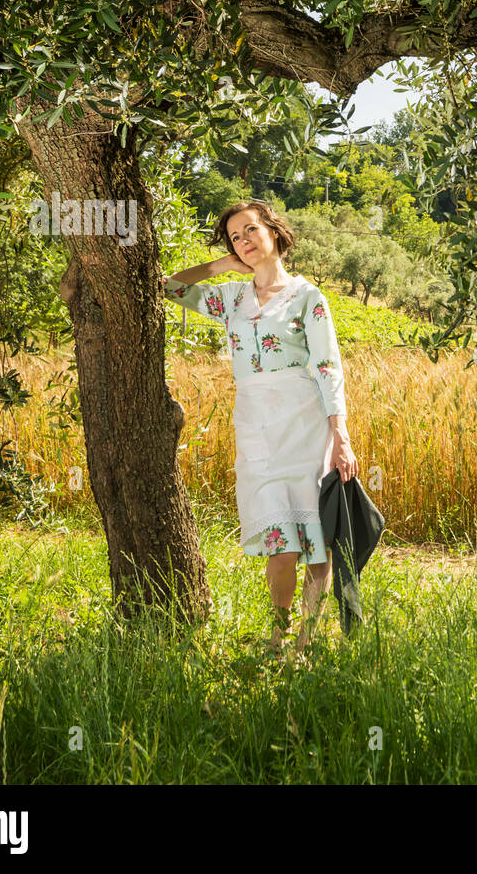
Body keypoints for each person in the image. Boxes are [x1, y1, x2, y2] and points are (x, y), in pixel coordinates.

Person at [162, 200, 358, 657]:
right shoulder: (232, 298)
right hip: (255, 427)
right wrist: (217, 265)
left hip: (306, 425)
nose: (243, 241)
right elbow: (168, 287)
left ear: (274, 231)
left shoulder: (308, 296)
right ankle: (279, 632)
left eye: (250, 230)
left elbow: (328, 367)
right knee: (280, 543)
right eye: (234, 237)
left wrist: (340, 437)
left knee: (316, 543)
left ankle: (305, 641)